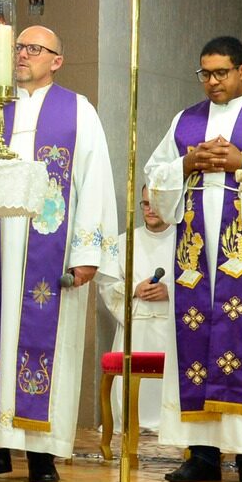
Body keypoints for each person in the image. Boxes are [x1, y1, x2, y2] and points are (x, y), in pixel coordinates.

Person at [0, 25, 119, 482]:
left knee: (45, 347)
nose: (23, 54)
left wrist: (87, 252)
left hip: (50, 253)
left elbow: (95, 182)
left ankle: (41, 453)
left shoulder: (77, 111)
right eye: (18, 47)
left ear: (56, 60)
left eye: (34, 49)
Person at [144, 35, 242, 482]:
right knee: (195, 345)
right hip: (195, 260)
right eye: (204, 74)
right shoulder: (185, 121)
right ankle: (202, 455)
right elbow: (156, 179)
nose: (211, 82)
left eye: (221, 73)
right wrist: (187, 162)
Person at [109, 186, 175, 436]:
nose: (150, 210)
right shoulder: (125, 242)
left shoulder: (186, 240)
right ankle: (129, 422)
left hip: (170, 328)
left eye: (156, 204)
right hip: (136, 327)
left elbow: (198, 281)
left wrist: (169, 291)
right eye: (145, 204)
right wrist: (134, 289)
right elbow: (107, 284)